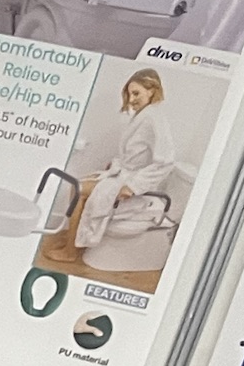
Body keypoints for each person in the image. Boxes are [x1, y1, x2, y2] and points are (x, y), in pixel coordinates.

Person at [74, 69, 173, 256]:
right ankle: (73, 243)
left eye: (136, 93)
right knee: (78, 186)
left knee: (78, 190)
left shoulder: (154, 118)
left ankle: (71, 251)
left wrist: (133, 187)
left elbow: (165, 162)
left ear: (151, 91)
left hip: (134, 185)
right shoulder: (144, 115)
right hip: (125, 174)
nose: (131, 99)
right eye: (129, 94)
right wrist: (116, 164)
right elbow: (136, 152)